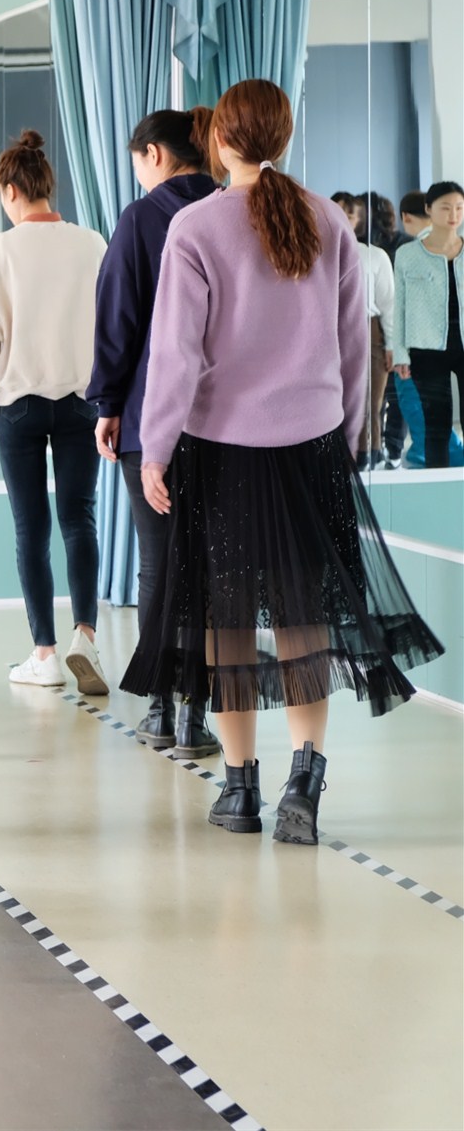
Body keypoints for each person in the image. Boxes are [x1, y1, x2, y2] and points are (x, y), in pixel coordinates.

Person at [122, 79, 442, 845]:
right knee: (305, 616)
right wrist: (351, 434)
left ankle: (239, 788)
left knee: (226, 618)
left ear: (218, 140)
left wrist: (155, 449)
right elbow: (353, 342)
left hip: (222, 452)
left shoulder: (195, 227)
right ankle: (306, 777)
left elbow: (175, 355)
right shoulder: (326, 218)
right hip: (313, 446)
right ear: (284, 138)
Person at [88, 107, 222, 759]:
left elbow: (118, 316)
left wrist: (108, 402)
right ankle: (198, 714)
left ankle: (162, 708)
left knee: (159, 564)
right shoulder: (234, 211)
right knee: (210, 567)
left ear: (155, 155)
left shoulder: (142, 218)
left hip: (150, 419)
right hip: (226, 422)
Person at [0, 131, 108, 692]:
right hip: (81, 403)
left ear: (12, 190)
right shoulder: (91, 244)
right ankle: (85, 635)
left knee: (31, 527)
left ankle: (43, 654)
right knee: (79, 517)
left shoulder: (2, 250)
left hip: (19, 406)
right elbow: (111, 329)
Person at [390, 181, 464, 470]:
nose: (453, 214)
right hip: (425, 349)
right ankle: (439, 487)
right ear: (429, 209)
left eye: (459, 208)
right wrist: (400, 354)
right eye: (446, 208)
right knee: (436, 428)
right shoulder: (408, 255)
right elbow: (399, 308)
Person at [356, 192, 399, 469]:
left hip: (370, 327)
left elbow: (388, 304)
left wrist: (392, 345)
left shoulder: (375, 255)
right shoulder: (319, 252)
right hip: (333, 327)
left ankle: (371, 453)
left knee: (373, 401)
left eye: (352, 213)